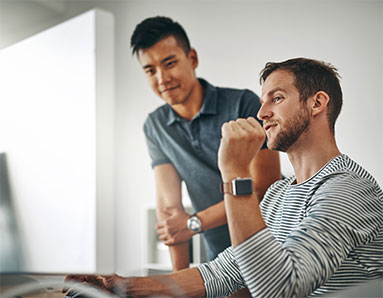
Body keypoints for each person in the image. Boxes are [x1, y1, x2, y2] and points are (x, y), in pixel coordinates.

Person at [64, 58, 383, 297]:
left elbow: (280, 289)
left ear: (317, 103)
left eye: (277, 98)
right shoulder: (278, 195)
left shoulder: (348, 189)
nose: (262, 113)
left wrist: (235, 172)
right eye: (262, 102)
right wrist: (122, 286)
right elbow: (222, 272)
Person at [130, 16, 281, 271]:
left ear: (193, 58)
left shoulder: (243, 104)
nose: (162, 78)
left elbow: (263, 191)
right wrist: (178, 283)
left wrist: (194, 222)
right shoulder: (154, 126)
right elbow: (170, 212)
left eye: (170, 63)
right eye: (150, 70)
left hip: (266, 248)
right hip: (217, 260)